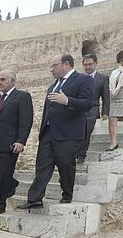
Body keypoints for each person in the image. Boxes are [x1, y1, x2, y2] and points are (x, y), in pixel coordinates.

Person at [17, 54, 93, 209]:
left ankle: (67, 194)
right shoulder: (53, 86)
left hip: (68, 134)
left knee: (66, 165)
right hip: (48, 132)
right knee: (42, 166)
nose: (51, 69)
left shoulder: (83, 80)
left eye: (54, 65)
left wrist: (67, 101)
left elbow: (87, 104)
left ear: (66, 64)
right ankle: (35, 199)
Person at [0, 70, 33, 214]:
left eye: (3, 79)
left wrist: (21, 141)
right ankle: (11, 185)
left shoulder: (22, 97)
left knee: (4, 173)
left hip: (10, 144)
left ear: (13, 81)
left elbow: (26, 121)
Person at [76, 54, 110, 164]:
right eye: (85, 65)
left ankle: (81, 155)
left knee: (87, 133)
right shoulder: (78, 78)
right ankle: (74, 153)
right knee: (77, 132)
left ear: (95, 63)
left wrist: (105, 112)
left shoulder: (102, 78)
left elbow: (106, 97)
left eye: (90, 64)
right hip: (79, 110)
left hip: (93, 110)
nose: (88, 67)